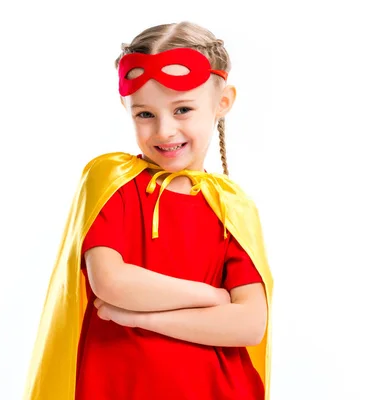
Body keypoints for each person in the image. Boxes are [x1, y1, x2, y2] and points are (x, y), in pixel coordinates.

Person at [23, 21, 274, 400]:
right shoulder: (113, 180)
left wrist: (137, 317)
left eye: (183, 109)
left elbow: (250, 325)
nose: (164, 131)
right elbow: (111, 282)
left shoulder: (233, 208)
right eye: (145, 114)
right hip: (118, 386)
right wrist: (212, 297)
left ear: (222, 103)